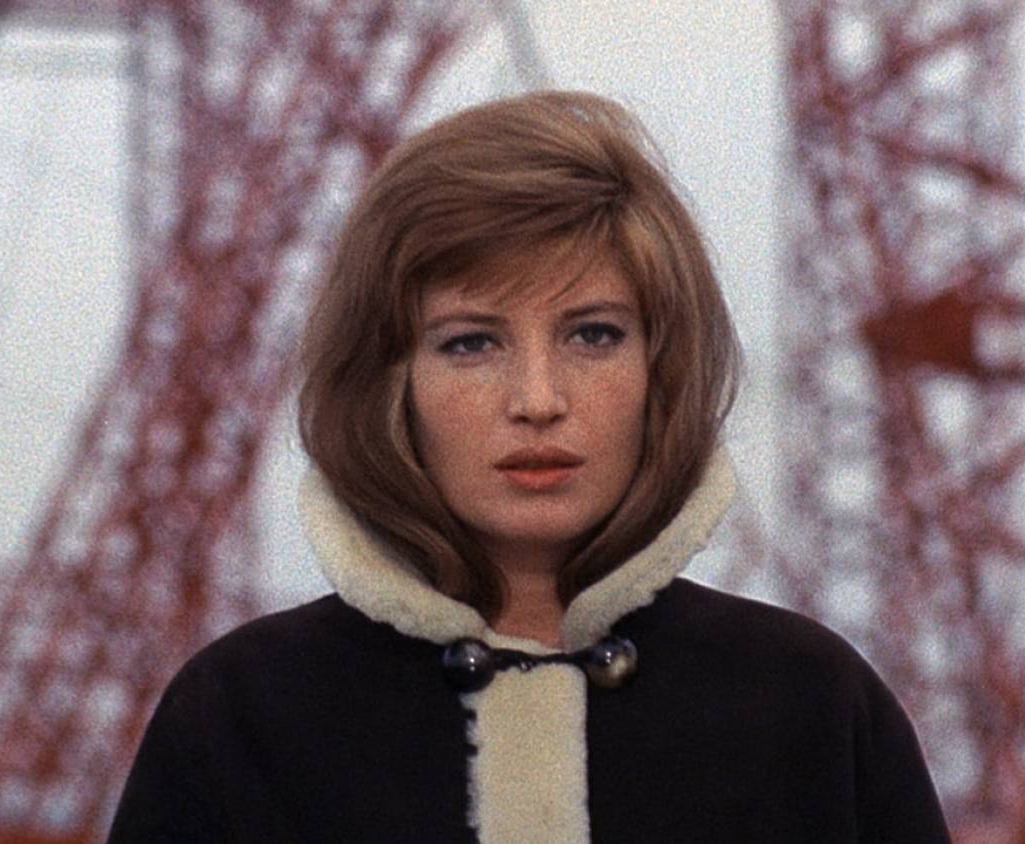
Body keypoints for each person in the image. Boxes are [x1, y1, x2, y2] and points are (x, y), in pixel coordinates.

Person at [107, 90, 951, 843]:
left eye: (594, 335)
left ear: (661, 371)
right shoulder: (241, 717)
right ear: (390, 383)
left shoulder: (813, 705)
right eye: (472, 343)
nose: (538, 399)